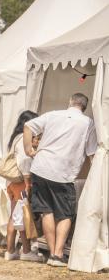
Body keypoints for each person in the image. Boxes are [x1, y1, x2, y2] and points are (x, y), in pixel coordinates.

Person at [24, 93, 97, 267]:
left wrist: (28, 149)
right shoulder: (88, 123)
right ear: (84, 107)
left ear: (70, 102)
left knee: (47, 211)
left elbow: (28, 125)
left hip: (41, 167)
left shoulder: (53, 114)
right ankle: (57, 255)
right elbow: (92, 153)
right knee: (65, 214)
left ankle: (52, 254)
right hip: (63, 173)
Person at [3, 111, 41, 262]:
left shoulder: (15, 138)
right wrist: (27, 184)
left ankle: (10, 250)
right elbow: (25, 162)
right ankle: (25, 250)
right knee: (22, 216)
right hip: (21, 183)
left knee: (14, 216)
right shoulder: (23, 139)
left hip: (12, 183)